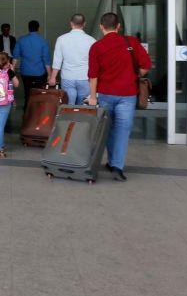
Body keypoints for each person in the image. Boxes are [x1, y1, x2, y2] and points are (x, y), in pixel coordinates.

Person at [87, 12, 151, 181]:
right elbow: (145, 66)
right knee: (123, 130)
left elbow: (93, 76)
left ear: (101, 27)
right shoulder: (132, 42)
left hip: (106, 94)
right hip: (128, 94)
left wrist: (93, 96)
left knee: (107, 129)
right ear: (118, 26)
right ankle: (117, 167)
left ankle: (111, 160)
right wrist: (131, 74)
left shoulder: (97, 47)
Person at [48, 13, 96, 105]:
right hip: (85, 77)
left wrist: (53, 77)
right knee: (83, 106)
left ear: (71, 23)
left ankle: (70, 119)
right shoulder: (91, 40)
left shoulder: (61, 39)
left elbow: (57, 61)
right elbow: (93, 62)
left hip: (67, 77)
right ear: (84, 24)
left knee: (69, 105)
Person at [12, 20, 51, 97]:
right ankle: (37, 108)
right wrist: (49, 74)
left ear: (28, 28)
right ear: (38, 28)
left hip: (25, 72)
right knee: (39, 94)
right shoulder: (43, 41)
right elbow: (46, 60)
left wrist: (12, 72)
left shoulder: (21, 40)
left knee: (27, 92)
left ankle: (27, 107)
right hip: (40, 72)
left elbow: (15, 57)